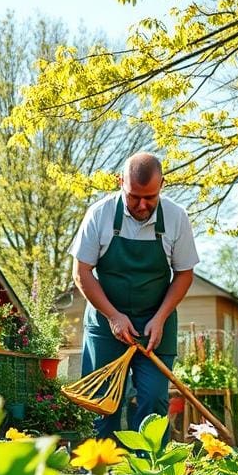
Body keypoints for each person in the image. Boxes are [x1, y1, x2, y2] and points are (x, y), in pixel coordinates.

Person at [70, 152, 199, 438]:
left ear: (162, 185)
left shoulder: (177, 218)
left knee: (153, 401)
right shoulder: (100, 214)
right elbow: (81, 272)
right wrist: (113, 316)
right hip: (106, 324)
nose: (142, 205)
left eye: (150, 198)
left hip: (155, 325)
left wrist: (161, 318)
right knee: (102, 403)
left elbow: (184, 274)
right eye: (134, 196)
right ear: (120, 183)